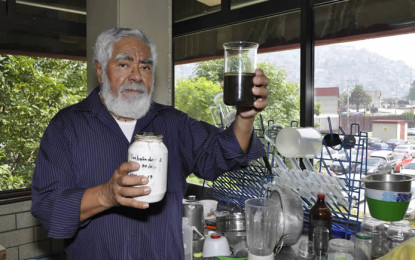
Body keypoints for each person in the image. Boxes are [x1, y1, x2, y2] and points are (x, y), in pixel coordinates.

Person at [31, 27, 269, 259]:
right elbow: (48, 208)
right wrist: (106, 195)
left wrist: (245, 116)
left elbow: (225, 153)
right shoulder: (67, 127)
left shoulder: (173, 123)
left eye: (145, 66)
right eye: (124, 65)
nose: (136, 76)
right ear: (101, 71)